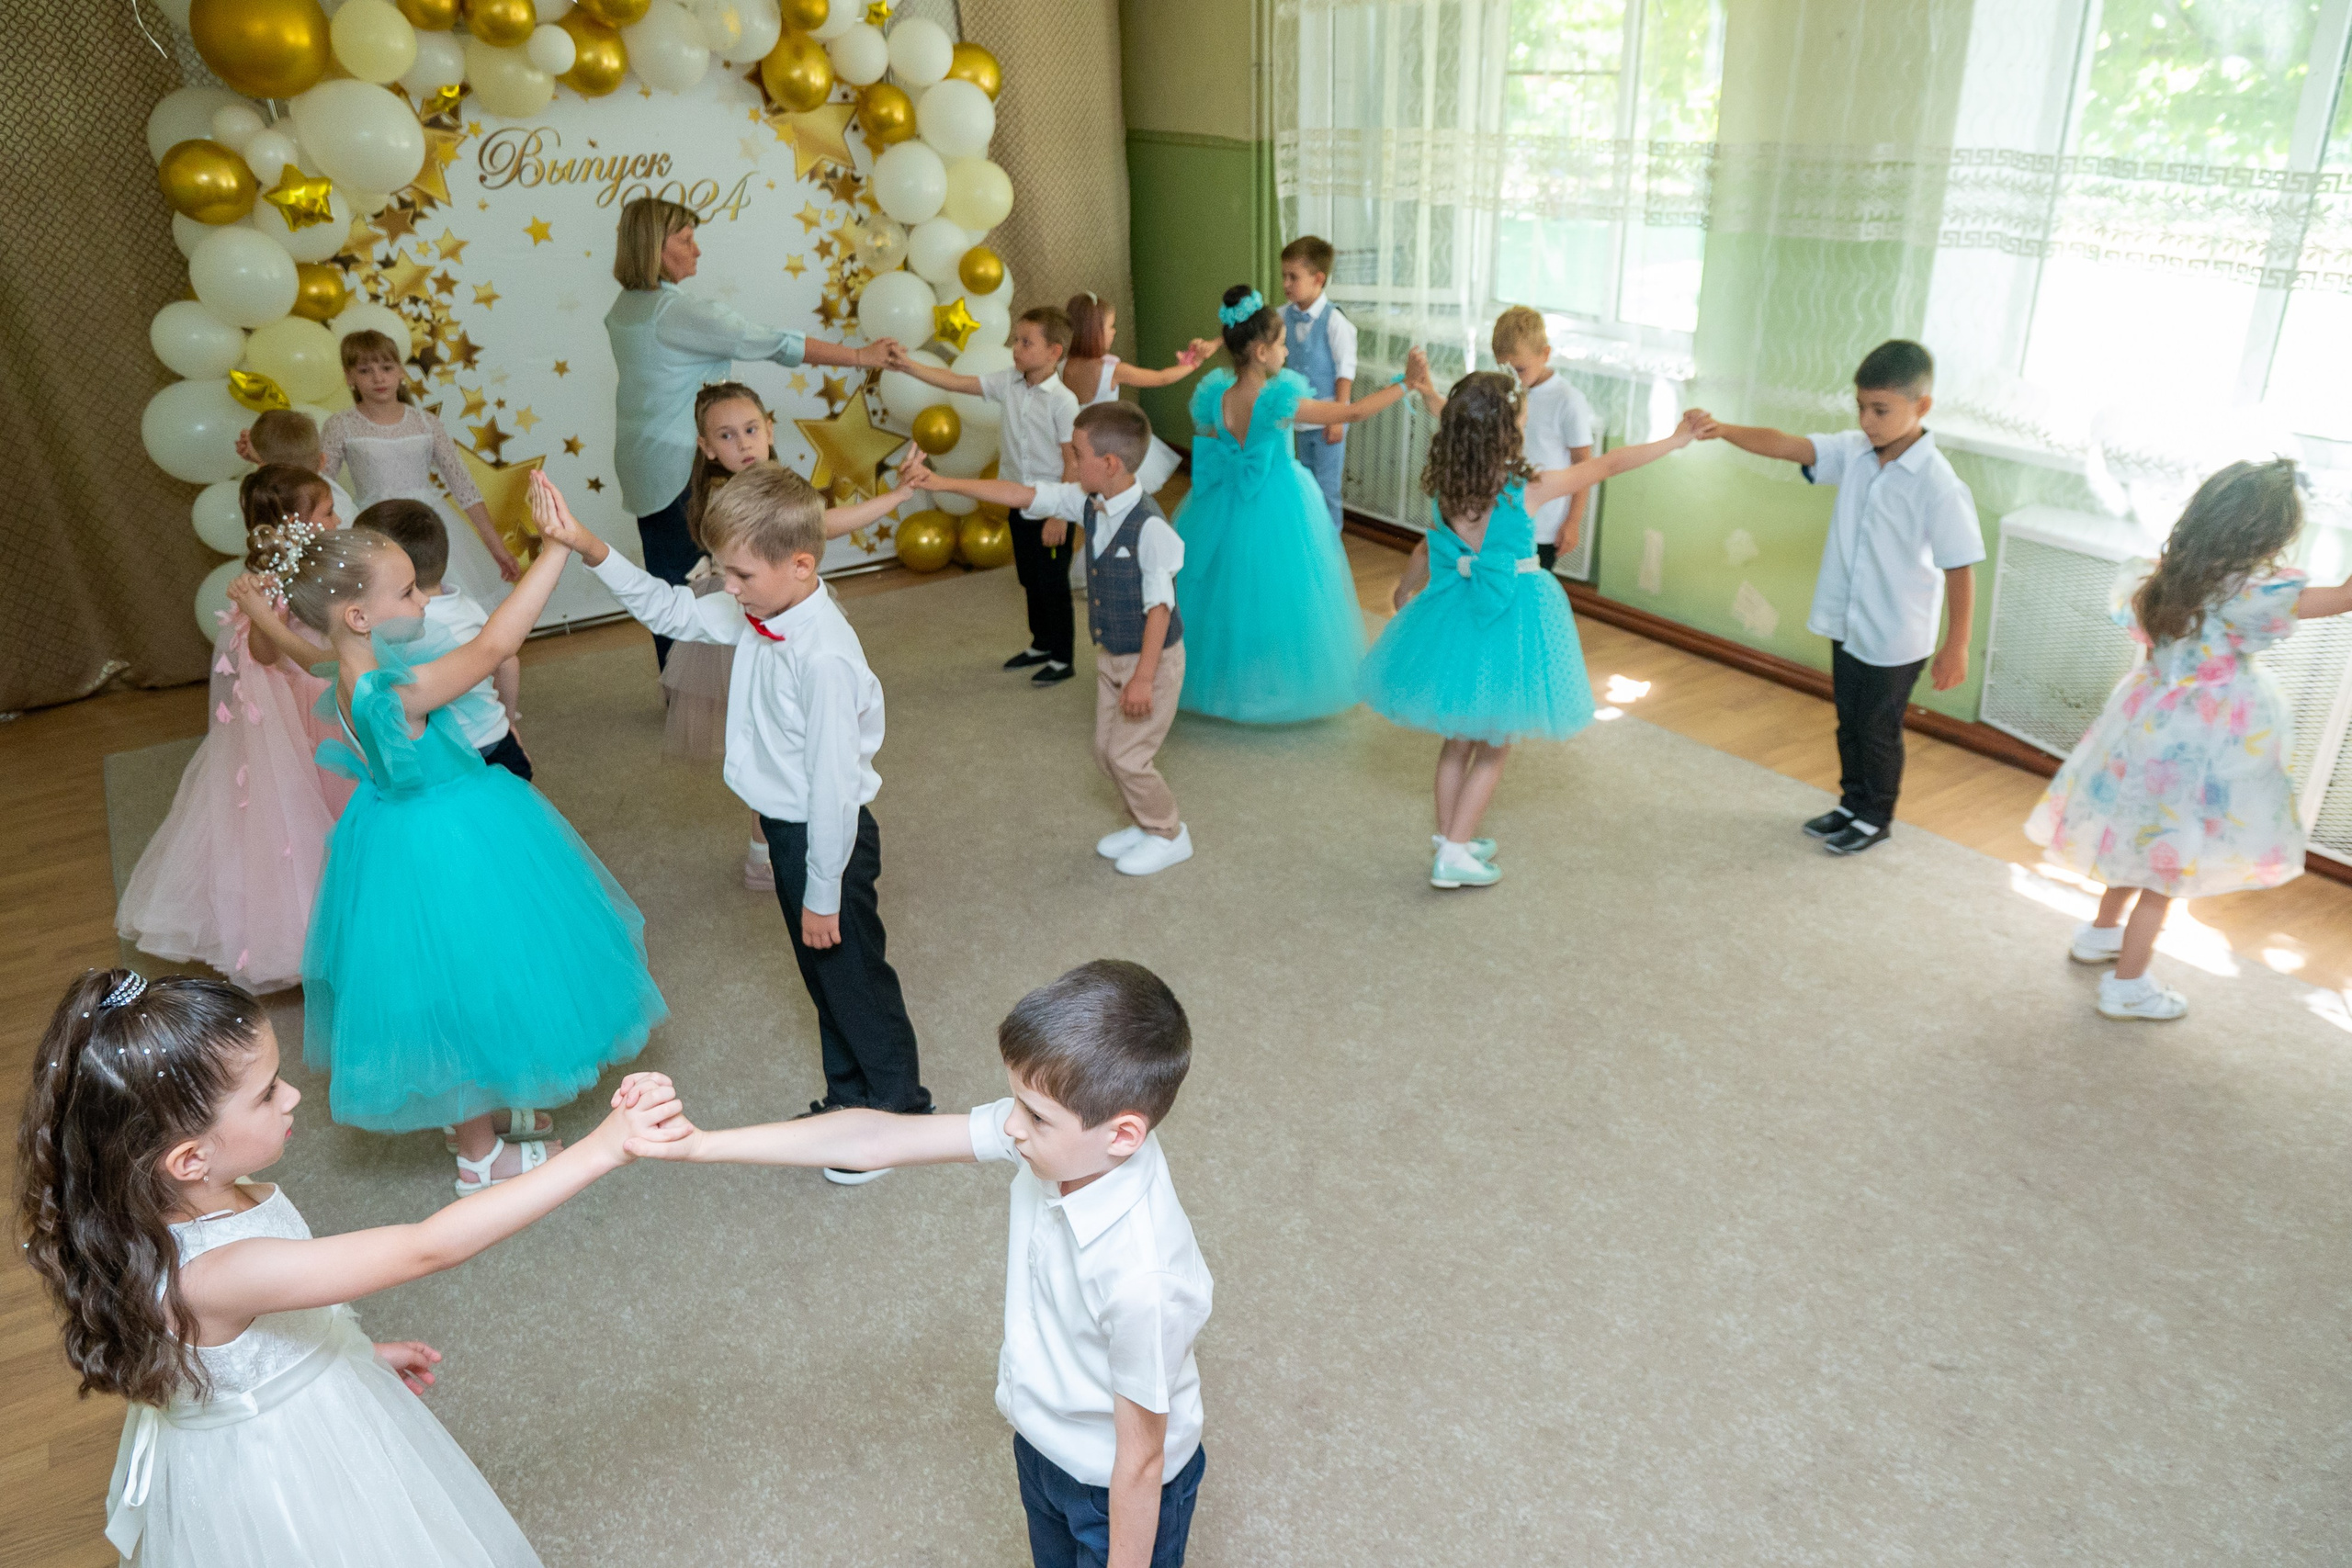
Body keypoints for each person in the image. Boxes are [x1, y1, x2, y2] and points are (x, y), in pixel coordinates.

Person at [13, 966, 685, 1568]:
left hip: (298, 1401)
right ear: (189, 1158)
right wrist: (603, 1149)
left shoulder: (188, 1199)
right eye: (268, 1092)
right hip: (284, 1475)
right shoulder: (217, 1271)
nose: (293, 1098)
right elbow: (430, 1245)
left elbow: (257, 1336)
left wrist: (341, 1354)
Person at [623, 960, 1212, 1568]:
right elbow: (876, 1138)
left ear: (1122, 1136)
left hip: (1117, 1481)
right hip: (1042, 1443)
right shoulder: (1064, 1141)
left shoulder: (1145, 1280)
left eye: (1035, 1115)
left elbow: (1140, 1461)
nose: (1011, 1125)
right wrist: (701, 1145)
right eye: (1016, 1099)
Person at [529, 466, 934, 1174]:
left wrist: (822, 891)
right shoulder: (757, 607)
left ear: (800, 564)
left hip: (823, 838)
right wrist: (587, 543)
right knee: (823, 976)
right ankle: (848, 1097)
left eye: (739, 572)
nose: (728, 585)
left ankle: (899, 1111)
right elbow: (667, 609)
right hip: (786, 829)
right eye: (723, 569)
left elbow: (835, 789)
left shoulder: (824, 656)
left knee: (853, 976)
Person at [278, 525, 668, 1193]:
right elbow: (494, 644)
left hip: (399, 832)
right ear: (358, 615)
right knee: (459, 992)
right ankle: (481, 1158)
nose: (424, 600)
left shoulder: (348, 674)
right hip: (444, 844)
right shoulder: (391, 695)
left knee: (473, 981)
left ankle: (491, 1109)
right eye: (408, 591)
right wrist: (556, 550)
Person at [2025, 459, 2352, 1021]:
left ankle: (2101, 934)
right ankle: (2128, 985)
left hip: (2146, 724)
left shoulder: (2160, 576)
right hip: (2203, 741)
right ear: (2268, 534)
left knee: (2138, 836)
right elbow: (2346, 597)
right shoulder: (2256, 594)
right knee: (2164, 870)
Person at [1365, 370, 1702, 887]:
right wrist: (1677, 439)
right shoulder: (1528, 487)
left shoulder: (1445, 490)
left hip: (1454, 613)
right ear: (1509, 432)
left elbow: (1421, 549)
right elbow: (1608, 463)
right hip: (1512, 620)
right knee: (1494, 747)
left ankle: (1449, 836)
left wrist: (1406, 591)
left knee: (1457, 741)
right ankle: (1454, 854)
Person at [1687, 340, 1984, 856]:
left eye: (1881, 410)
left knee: (1878, 728)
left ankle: (1876, 817)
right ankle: (1851, 803)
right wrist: (1724, 430)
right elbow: (1787, 445)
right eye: (1862, 408)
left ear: (1922, 407)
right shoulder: (1855, 453)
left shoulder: (1939, 484)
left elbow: (1960, 568)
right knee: (1849, 719)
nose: (1868, 421)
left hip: (1896, 632)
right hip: (1849, 621)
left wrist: (1957, 645)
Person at [605, 197, 896, 671]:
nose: (697, 250)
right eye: (686, 240)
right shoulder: (674, 312)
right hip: (679, 461)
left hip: (641, 459)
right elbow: (770, 341)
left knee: (671, 581)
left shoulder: (625, 307)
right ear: (656, 248)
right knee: (715, 577)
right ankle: (724, 685)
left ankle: (679, 689)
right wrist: (860, 357)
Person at [916, 402, 1196, 877]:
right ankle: (1143, 822)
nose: (1070, 457)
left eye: (1078, 452)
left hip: (1152, 661)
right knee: (1106, 754)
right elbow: (1022, 493)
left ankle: (1169, 833)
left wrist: (1144, 679)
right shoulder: (1088, 501)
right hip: (1113, 656)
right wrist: (943, 484)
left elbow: (1160, 610)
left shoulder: (1150, 528)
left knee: (1128, 757)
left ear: (1109, 464)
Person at [662, 381, 922, 893]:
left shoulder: (776, 482)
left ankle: (774, 840)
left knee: (786, 733)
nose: (744, 444)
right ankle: (765, 850)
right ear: (707, 448)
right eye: (727, 436)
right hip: (739, 612)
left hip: (777, 608)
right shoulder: (729, 493)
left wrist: (900, 494)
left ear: (770, 428)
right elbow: (825, 523)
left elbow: (819, 526)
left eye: (752, 429)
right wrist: (899, 496)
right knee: (767, 737)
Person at [116, 465, 352, 993]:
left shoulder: (328, 566)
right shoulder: (273, 584)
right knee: (308, 814)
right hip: (303, 709)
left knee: (341, 813)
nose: (338, 519)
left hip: (326, 693)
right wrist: (267, 611)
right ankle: (311, 931)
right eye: (328, 511)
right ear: (295, 524)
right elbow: (264, 653)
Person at [1174, 285, 1418, 725]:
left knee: (1222, 590)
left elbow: (1215, 444)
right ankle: (1274, 683)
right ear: (1263, 352)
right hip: (1278, 504)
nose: (1287, 352)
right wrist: (1406, 384)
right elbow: (1353, 413)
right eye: (1283, 344)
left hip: (1221, 503)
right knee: (1281, 593)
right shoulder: (1277, 401)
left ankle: (1220, 677)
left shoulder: (1216, 396)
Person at [888, 308, 1084, 685]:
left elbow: (1071, 461)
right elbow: (957, 382)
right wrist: (909, 366)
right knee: (1029, 577)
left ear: (1053, 352)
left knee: (1052, 583)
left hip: (1051, 504)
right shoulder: (1009, 382)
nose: (1016, 348)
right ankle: (1041, 644)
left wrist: (1060, 514)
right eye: (1016, 340)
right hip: (1016, 499)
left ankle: (1063, 658)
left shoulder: (1063, 401)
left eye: (1027, 342)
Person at [322, 330, 523, 603]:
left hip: (429, 526)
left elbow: (463, 486)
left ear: (401, 371)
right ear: (349, 377)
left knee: (444, 598)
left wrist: (495, 546)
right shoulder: (341, 425)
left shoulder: (427, 423)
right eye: (365, 370)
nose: (378, 378)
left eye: (387, 368)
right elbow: (322, 487)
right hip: (376, 527)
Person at [356, 499, 532, 781]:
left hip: (445, 759)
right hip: (497, 741)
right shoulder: (466, 605)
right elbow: (508, 663)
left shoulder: (398, 627)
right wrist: (508, 721)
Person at [1060, 290, 1216, 497]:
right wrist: (1195, 363)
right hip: (1109, 445)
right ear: (1094, 332)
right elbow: (1161, 378)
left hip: (1078, 446)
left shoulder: (1062, 366)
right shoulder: (1113, 370)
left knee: (1084, 496)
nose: (1114, 331)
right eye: (1110, 326)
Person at [1486, 306, 1598, 571]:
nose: (1513, 378)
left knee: (1526, 597)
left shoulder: (1567, 400)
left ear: (1545, 354)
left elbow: (1584, 465)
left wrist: (1572, 521)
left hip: (1543, 526)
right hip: (1502, 515)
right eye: (1505, 370)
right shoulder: (1502, 391)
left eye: (1520, 369)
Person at [1278, 236, 1357, 529]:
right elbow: (1253, 327)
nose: (1286, 283)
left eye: (1293, 277)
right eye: (1283, 276)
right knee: (1306, 487)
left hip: (1327, 421)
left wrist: (1338, 417)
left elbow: (1345, 371)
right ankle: (1310, 540)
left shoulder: (1335, 321)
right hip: (1300, 419)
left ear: (1318, 279)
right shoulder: (1284, 316)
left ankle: (1330, 550)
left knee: (1326, 489)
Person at [238, 407, 356, 522]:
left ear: (263, 468)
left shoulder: (265, 503)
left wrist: (261, 457)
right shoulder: (336, 505)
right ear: (322, 460)